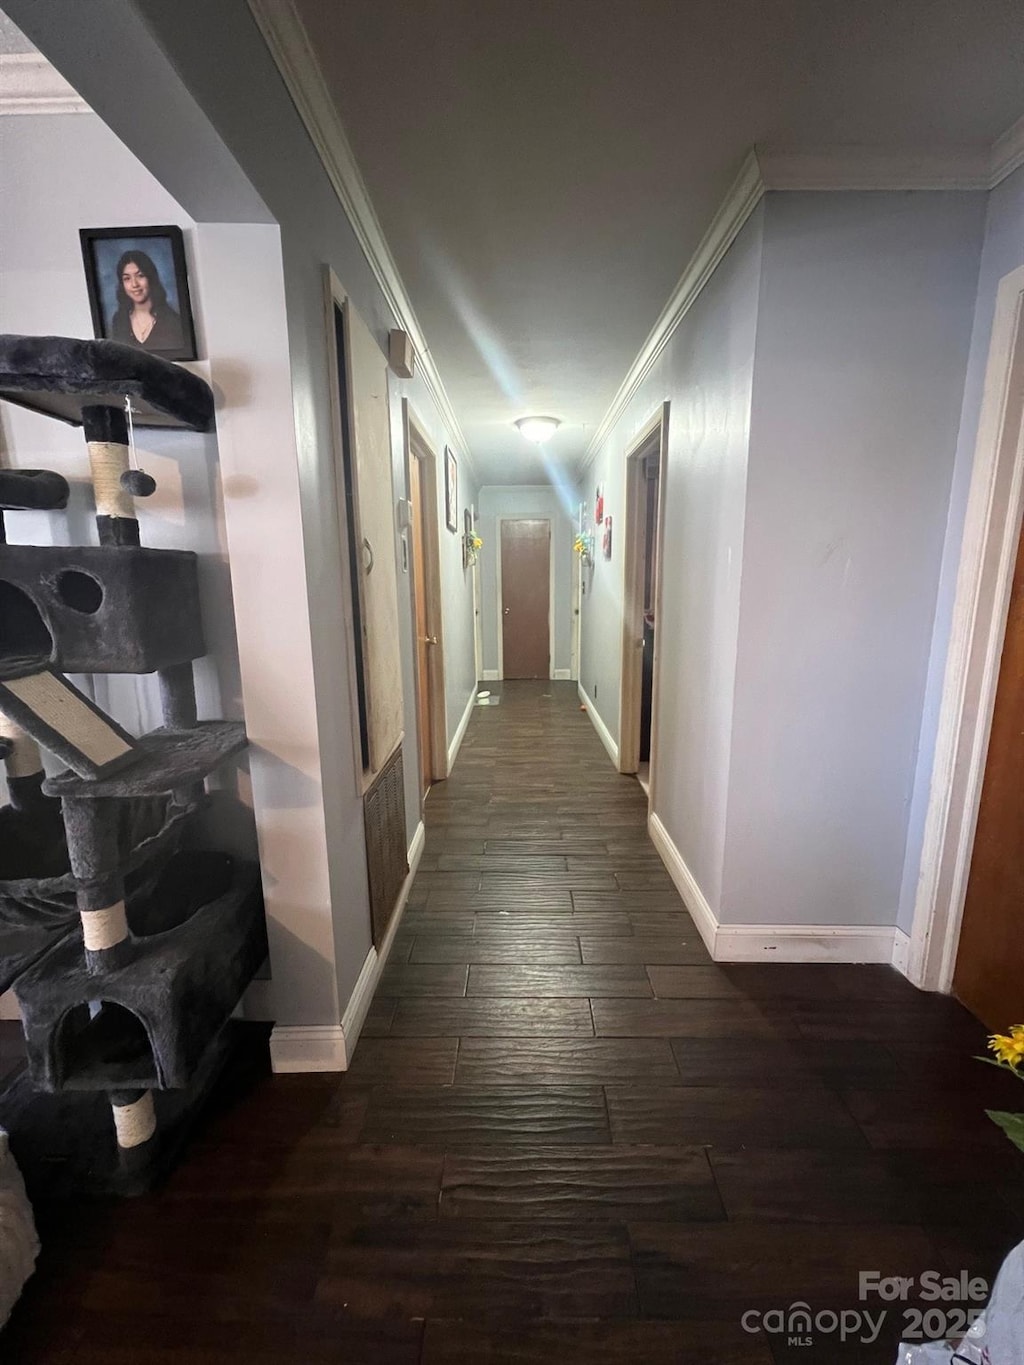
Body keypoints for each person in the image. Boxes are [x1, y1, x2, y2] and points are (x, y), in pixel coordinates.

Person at [108, 249, 184, 353]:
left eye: (140, 276)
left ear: (151, 278)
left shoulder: (172, 321)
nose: (134, 284)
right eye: (127, 278)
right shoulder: (119, 320)